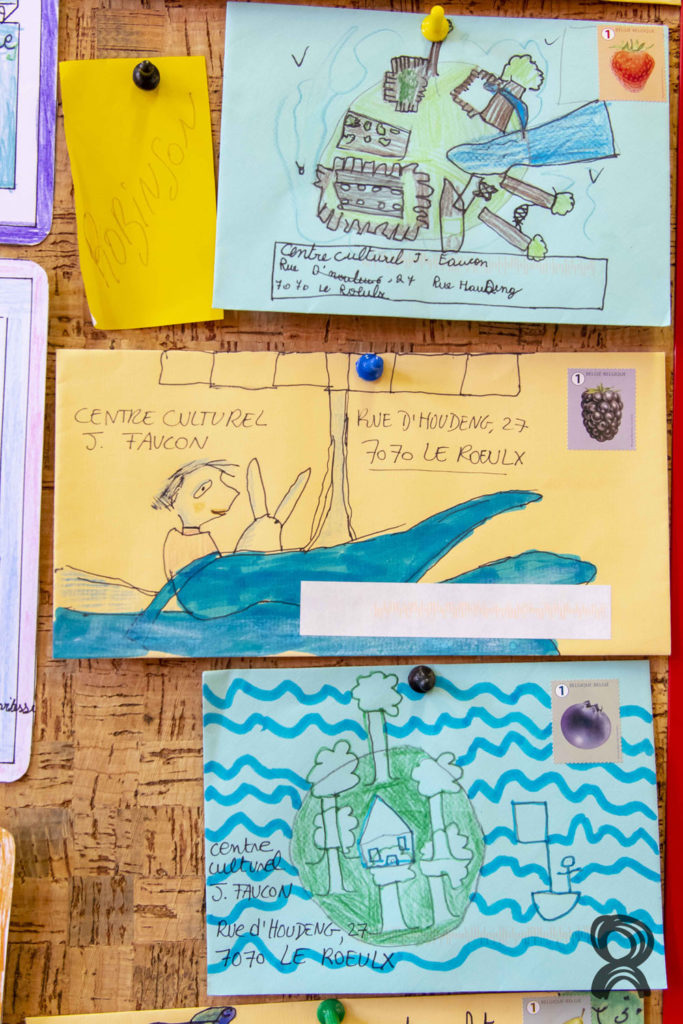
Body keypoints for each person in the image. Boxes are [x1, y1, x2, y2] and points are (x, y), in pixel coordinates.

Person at [152, 459, 238, 580]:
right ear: (175, 495)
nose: (233, 492)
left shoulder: (188, 540)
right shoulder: (183, 542)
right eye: (203, 489)